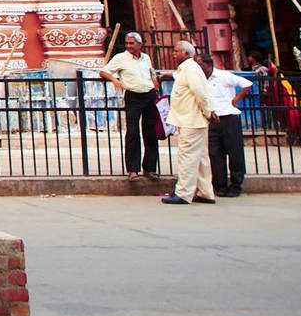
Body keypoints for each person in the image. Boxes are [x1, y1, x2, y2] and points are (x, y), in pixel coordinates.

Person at [100, 31, 160, 181]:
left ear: (140, 44)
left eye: (131, 43)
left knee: (150, 132)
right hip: (133, 96)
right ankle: (133, 169)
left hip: (149, 94)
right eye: (127, 43)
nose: (128, 46)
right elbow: (103, 71)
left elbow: (151, 72)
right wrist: (114, 80)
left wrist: (154, 82)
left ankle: (150, 167)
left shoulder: (145, 57)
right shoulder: (120, 58)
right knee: (132, 132)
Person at [162, 43, 215, 206]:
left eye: (176, 51)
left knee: (188, 157)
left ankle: (184, 193)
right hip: (191, 119)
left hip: (191, 120)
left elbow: (200, 92)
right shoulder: (186, 69)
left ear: (186, 53)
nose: (173, 54)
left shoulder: (190, 68)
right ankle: (206, 192)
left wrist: (208, 111)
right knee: (200, 158)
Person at [206, 57, 254, 198]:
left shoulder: (223, 76)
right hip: (212, 119)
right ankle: (220, 185)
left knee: (235, 153)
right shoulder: (200, 79)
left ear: (208, 65)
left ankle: (236, 184)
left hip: (229, 117)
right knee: (215, 154)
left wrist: (237, 98)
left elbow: (247, 83)